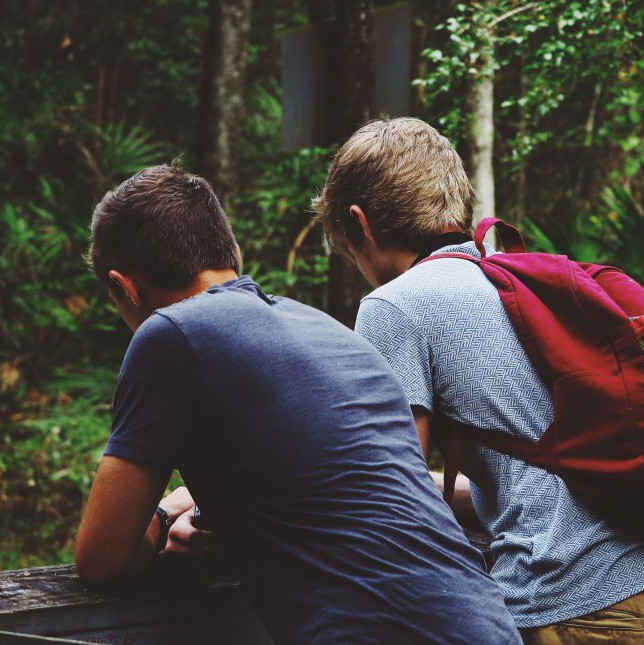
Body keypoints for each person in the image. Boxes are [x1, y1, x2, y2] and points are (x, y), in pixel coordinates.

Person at [74, 164, 521, 645]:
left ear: (126, 287)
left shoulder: (172, 334)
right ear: (232, 255)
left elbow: (102, 559)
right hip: (486, 624)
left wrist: (161, 517)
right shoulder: (326, 331)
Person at [314, 118, 644, 644]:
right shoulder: (525, 286)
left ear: (360, 224)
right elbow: (525, 477)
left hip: (575, 599)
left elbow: (391, 493)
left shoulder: (395, 306)